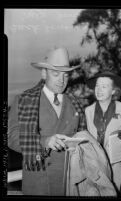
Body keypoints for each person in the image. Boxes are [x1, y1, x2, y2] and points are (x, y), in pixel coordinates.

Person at [8, 47, 87, 196]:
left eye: (65, 75)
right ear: (44, 73)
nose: (61, 80)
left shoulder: (76, 103)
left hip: (71, 182)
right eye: (55, 74)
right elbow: (11, 136)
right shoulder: (23, 100)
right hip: (38, 182)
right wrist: (44, 141)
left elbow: (84, 136)